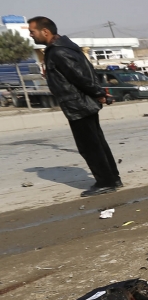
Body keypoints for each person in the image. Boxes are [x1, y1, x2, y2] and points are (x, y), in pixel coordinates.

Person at [27, 16, 122, 196]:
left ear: (45, 31)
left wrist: (99, 94)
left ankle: (106, 182)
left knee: (89, 146)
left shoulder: (58, 52)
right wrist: (98, 94)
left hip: (78, 105)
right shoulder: (64, 47)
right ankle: (112, 178)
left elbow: (80, 77)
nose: (31, 35)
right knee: (97, 143)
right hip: (82, 102)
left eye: (33, 31)